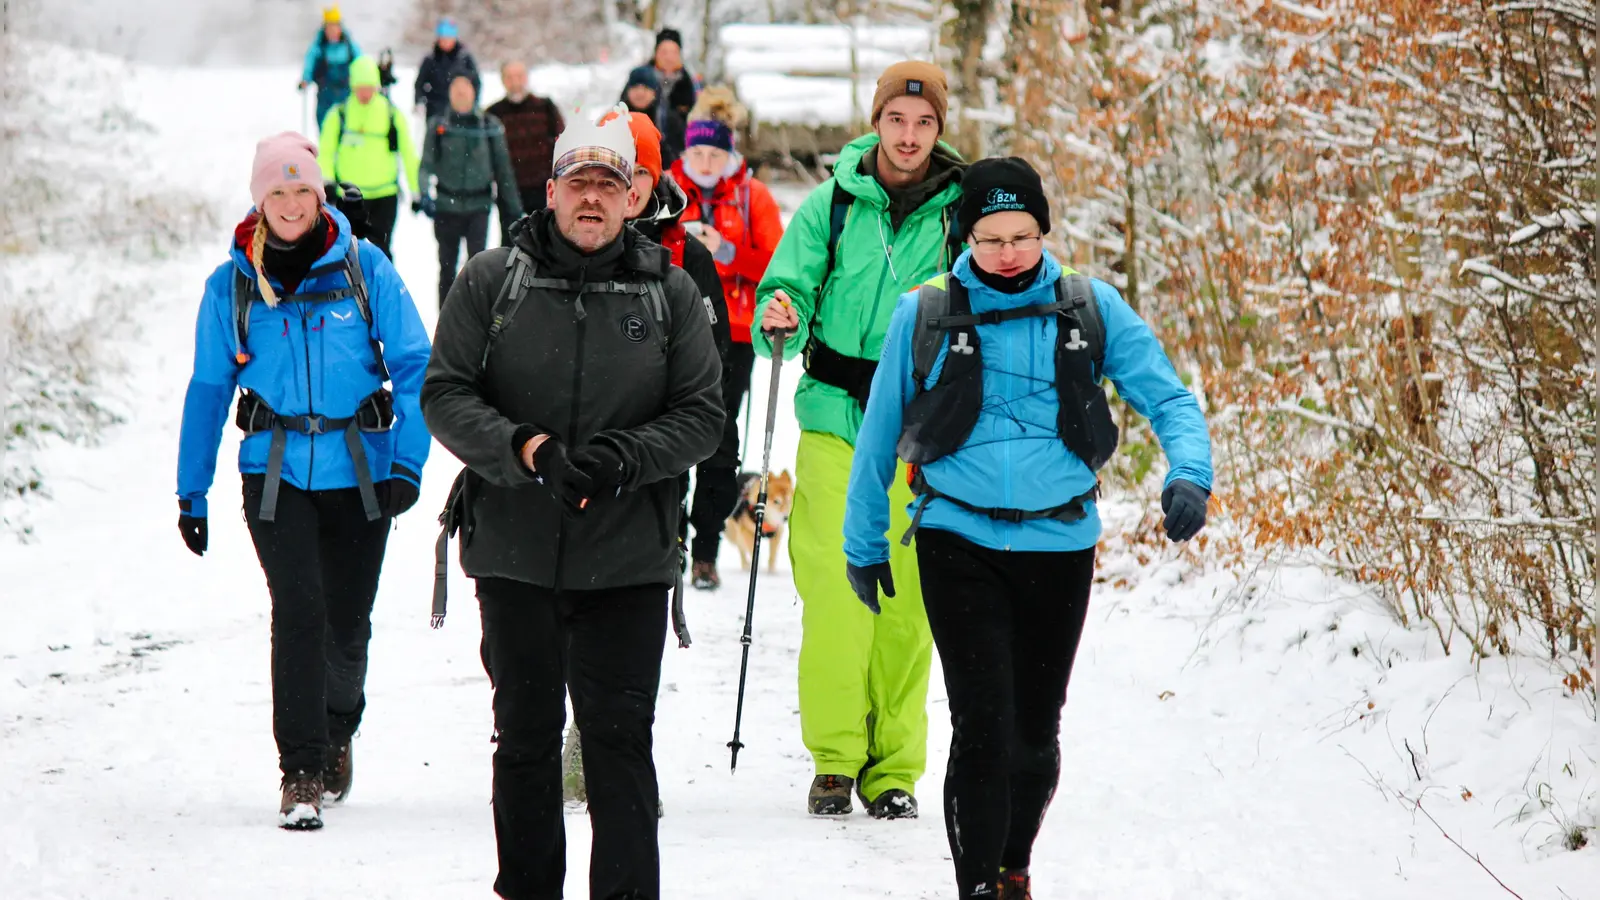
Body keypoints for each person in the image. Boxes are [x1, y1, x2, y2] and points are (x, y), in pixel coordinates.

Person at [842, 157, 1214, 900]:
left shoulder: (1090, 306)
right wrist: (863, 543)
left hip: (1060, 542)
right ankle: (977, 886)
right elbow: (879, 436)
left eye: (1022, 235)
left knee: (1035, 735)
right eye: (989, 238)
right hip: (957, 539)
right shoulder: (924, 313)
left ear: (1044, 230)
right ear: (964, 235)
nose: (1008, 253)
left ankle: (1013, 866)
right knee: (981, 722)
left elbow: (1169, 398)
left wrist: (1189, 474)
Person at [421, 104, 723, 900]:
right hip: (516, 553)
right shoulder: (492, 281)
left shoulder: (670, 291)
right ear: (550, 190)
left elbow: (702, 416)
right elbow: (445, 393)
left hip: (629, 559)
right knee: (523, 742)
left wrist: (628, 458)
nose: (592, 198)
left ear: (633, 198)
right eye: (578, 181)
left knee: (620, 745)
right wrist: (526, 449)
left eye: (609, 183)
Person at [175, 133, 432, 831]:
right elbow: (206, 387)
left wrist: (409, 461)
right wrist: (190, 492)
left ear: (319, 196)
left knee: (349, 624)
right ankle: (301, 770)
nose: (290, 204)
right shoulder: (231, 285)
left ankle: (339, 723)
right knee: (300, 611)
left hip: (361, 472)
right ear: (259, 202)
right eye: (275, 192)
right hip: (275, 474)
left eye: (301, 190)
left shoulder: (363, 267)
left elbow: (415, 365)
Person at [753, 60, 966, 819]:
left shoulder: (960, 212)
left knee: (907, 606)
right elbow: (787, 284)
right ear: (876, 122)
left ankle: (894, 768)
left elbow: (1009, 283)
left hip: (923, 435)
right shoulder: (832, 205)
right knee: (839, 595)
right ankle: (837, 759)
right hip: (837, 420)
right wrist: (779, 311)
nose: (908, 136)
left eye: (924, 123)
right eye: (896, 120)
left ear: (939, 130)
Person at [668, 86, 783, 590]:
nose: (706, 163)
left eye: (716, 154)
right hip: (668, 329)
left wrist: (729, 251)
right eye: (698, 153)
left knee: (718, 438)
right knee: (664, 433)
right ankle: (667, 537)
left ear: (730, 153)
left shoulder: (751, 194)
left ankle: (706, 547)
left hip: (734, 332)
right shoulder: (666, 188)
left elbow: (780, 268)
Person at [626, 112, 741, 595]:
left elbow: (713, 334)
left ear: (655, 177)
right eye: (618, 167)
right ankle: (668, 541)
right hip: (625, 409)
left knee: (717, 451)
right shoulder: (580, 241)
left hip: (689, 387)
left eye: (639, 172)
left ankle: (706, 548)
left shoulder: (686, 249)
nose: (626, 184)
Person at [417, 75, 522, 304]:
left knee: (477, 267)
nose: (461, 93)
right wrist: (424, 193)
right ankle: (445, 322)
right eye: (456, 88)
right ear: (449, 92)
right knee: (446, 268)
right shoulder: (439, 125)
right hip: (446, 206)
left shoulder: (489, 125)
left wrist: (514, 209)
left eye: (466, 88)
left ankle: (474, 319)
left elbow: (503, 171)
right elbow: (426, 164)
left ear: (474, 92)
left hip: (478, 208)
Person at [316, 55, 420, 258]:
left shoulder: (392, 114)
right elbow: (326, 151)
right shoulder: (339, 115)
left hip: (385, 195)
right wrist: (327, 181)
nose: (365, 93)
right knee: (348, 252)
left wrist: (416, 191)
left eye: (370, 87)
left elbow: (408, 152)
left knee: (381, 251)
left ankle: (381, 289)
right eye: (360, 87)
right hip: (350, 197)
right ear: (353, 86)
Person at [486, 60, 565, 229]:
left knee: (546, 241)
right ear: (502, 80)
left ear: (526, 78)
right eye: (509, 77)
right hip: (509, 189)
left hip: (543, 188)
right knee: (510, 244)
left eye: (519, 76)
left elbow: (563, 145)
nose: (515, 82)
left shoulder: (545, 108)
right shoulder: (493, 114)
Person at [299, 6, 361, 130]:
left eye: (335, 27)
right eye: (329, 27)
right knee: (325, 125)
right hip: (325, 94)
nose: (332, 31)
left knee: (347, 126)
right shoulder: (319, 47)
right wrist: (306, 79)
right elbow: (309, 63)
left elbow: (360, 63)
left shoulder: (350, 46)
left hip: (346, 93)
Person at [414, 18, 481, 122]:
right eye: (443, 38)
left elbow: (476, 83)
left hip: (460, 110)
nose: (445, 42)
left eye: (448, 38)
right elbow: (420, 83)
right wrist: (419, 102)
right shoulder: (430, 60)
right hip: (435, 110)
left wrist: (474, 103)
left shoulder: (465, 59)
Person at [621, 65, 685, 169]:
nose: (640, 93)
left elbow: (679, 159)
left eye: (645, 88)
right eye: (635, 87)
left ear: (655, 92)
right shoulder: (613, 120)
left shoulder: (670, 121)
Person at [648, 28, 697, 161]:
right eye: (664, 52)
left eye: (674, 52)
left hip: (678, 156)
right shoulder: (641, 79)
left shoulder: (688, 84)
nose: (669, 57)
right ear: (656, 53)